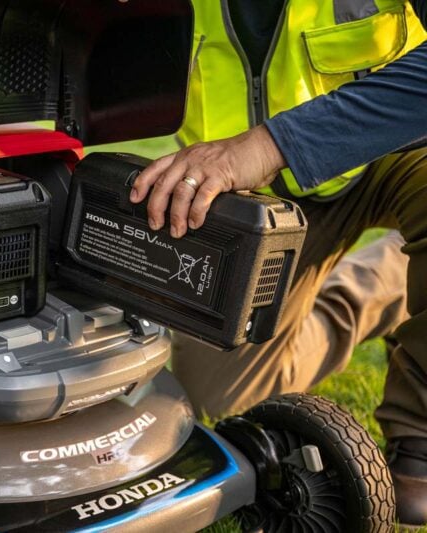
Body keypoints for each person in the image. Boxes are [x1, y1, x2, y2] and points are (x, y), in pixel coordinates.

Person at [130, 0, 427, 526]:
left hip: (395, 146)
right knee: (226, 404)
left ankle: (419, 443)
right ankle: (385, 283)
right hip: (254, 196)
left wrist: (272, 143)